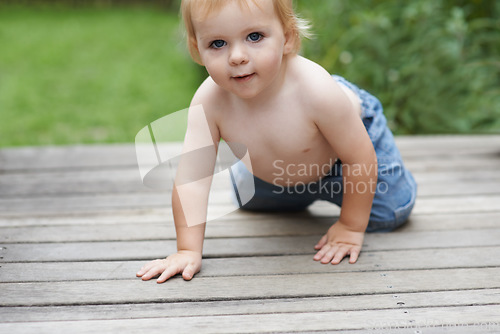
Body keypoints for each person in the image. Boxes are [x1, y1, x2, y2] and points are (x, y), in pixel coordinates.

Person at [136, 0, 417, 283]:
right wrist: (187, 250)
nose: (236, 56)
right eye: (218, 43)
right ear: (197, 49)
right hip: (278, 172)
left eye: (254, 37)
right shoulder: (209, 102)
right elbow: (192, 180)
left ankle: (347, 201)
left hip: (346, 155)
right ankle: (265, 175)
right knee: (248, 200)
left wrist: (350, 227)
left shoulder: (315, 89)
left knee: (390, 212)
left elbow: (359, 158)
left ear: (288, 37)